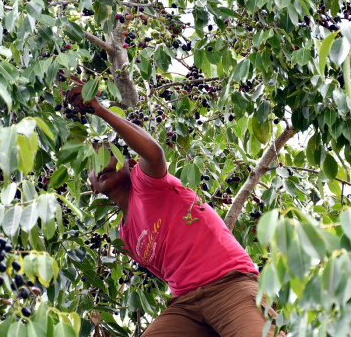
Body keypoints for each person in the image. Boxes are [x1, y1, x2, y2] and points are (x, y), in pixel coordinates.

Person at [66, 86, 285, 337]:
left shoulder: (146, 181)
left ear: (130, 163)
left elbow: (155, 152)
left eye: (107, 153)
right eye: (91, 165)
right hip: (186, 306)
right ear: (92, 188)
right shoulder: (126, 235)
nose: (101, 164)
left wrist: (100, 110)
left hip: (230, 284)